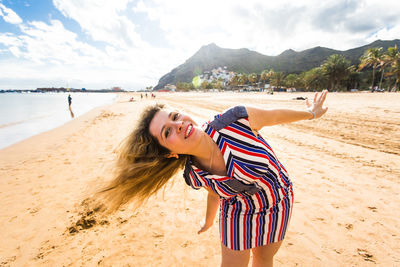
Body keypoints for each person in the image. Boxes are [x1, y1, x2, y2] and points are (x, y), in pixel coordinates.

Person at [98, 90, 328, 267]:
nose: (179, 125)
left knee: (262, 260)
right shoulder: (193, 174)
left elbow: (274, 116)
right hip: (237, 209)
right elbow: (215, 191)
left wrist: (311, 114)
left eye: (175, 117)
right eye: (167, 132)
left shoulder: (234, 120)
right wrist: (209, 220)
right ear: (170, 153)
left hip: (277, 199)